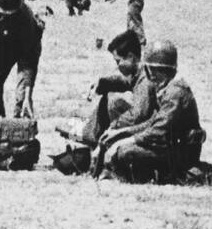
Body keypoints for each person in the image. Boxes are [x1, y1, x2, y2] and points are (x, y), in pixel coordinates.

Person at [99, 40, 204, 183]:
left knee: (124, 152)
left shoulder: (175, 92)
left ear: (154, 70)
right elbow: (152, 122)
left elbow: (158, 130)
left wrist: (125, 140)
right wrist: (122, 133)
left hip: (180, 154)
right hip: (170, 148)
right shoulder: (167, 88)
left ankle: (168, 175)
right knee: (122, 148)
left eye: (148, 69)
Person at [77, 30, 154, 144]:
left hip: (145, 131)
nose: (117, 66)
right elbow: (126, 82)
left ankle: (94, 138)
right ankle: (91, 135)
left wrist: (114, 126)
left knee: (114, 101)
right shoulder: (138, 72)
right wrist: (104, 83)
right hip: (141, 125)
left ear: (130, 57)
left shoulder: (145, 81)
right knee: (109, 96)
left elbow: (137, 116)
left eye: (118, 61)